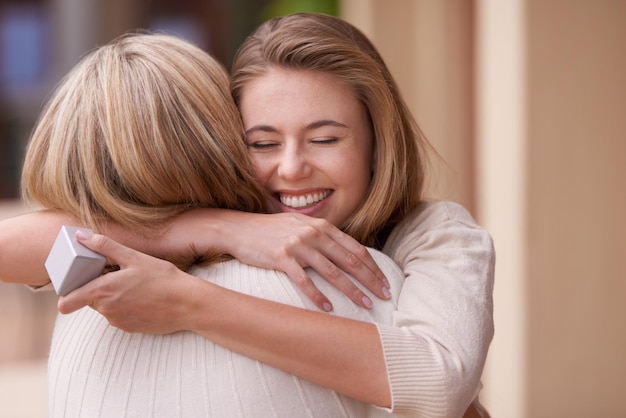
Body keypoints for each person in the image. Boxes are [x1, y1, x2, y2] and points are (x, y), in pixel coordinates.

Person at [1, 13, 494, 417]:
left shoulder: (432, 236)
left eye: (325, 139)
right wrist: (220, 226)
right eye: (262, 143)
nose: (293, 167)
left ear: (376, 146)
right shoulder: (231, 222)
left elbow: (439, 382)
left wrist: (191, 302)